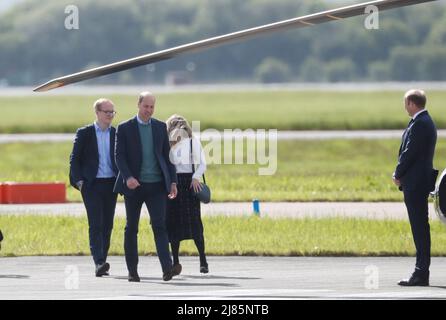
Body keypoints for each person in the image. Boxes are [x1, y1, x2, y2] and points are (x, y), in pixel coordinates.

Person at [114, 91, 178, 282]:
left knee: (159, 226)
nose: (148, 110)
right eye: (145, 106)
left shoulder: (159, 127)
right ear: (138, 105)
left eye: (152, 107)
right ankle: (132, 271)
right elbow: (119, 156)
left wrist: (172, 181)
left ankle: (167, 269)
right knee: (131, 227)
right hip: (134, 186)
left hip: (157, 186)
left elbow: (168, 157)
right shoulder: (125, 128)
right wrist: (128, 177)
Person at [393, 89, 437, 287]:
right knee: (420, 227)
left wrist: (398, 173)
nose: (405, 107)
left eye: (406, 103)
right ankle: (421, 271)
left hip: (415, 182)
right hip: (418, 181)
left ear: (411, 103)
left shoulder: (420, 124)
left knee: (419, 228)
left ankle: (421, 273)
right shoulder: (424, 122)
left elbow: (409, 152)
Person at [69, 98, 118, 277]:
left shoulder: (116, 133)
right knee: (95, 224)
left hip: (111, 184)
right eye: (107, 112)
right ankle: (98, 262)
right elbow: (74, 159)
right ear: (97, 113)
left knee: (108, 225)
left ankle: (102, 260)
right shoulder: (85, 133)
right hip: (92, 185)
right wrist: (80, 182)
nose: (110, 115)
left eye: (113, 112)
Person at [166, 115, 209, 275]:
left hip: (189, 183)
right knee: (174, 224)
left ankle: (203, 259)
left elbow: (203, 163)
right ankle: (176, 261)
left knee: (195, 223)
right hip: (173, 183)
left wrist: (195, 177)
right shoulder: (168, 142)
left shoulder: (192, 141)